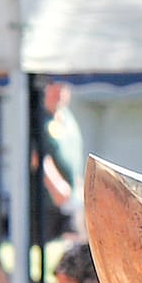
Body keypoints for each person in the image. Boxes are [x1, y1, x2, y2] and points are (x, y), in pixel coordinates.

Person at [38, 80, 85, 242]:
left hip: (71, 199)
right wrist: (55, 185)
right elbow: (37, 157)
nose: (59, 92)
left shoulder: (67, 117)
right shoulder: (39, 119)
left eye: (63, 87)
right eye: (54, 87)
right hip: (48, 202)